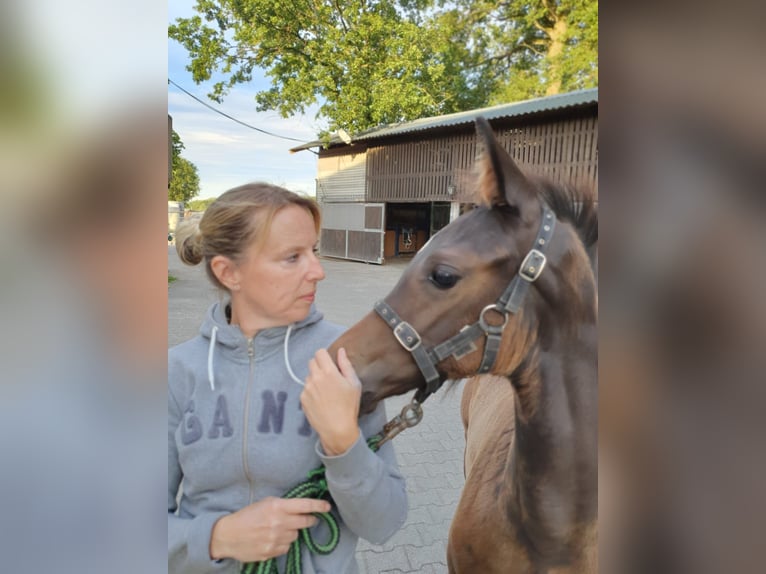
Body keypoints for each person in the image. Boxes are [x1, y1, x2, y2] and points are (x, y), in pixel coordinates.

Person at [168, 183, 407, 574]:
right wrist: (217, 537)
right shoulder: (175, 374)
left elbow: (385, 521)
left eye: (313, 251)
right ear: (228, 272)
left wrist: (343, 441)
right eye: (292, 257)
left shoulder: (342, 360)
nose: (318, 271)